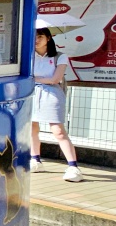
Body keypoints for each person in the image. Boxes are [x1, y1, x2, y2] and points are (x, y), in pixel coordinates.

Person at [31, 27, 81, 182]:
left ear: (48, 38)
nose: (36, 40)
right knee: (31, 128)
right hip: (31, 94)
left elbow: (55, 79)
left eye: (40, 36)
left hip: (52, 94)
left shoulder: (60, 56)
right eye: (34, 36)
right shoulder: (28, 56)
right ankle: (35, 160)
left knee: (58, 131)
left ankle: (73, 167)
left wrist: (34, 79)